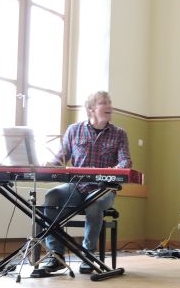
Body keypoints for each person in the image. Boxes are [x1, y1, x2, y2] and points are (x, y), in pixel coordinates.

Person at [40, 91, 131, 273]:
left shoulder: (119, 134)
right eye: (104, 103)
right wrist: (46, 165)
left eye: (110, 102)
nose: (109, 106)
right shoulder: (74, 130)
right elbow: (60, 158)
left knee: (94, 203)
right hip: (76, 187)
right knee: (51, 196)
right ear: (91, 109)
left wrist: (109, 171)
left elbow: (126, 162)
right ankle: (56, 255)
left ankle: (88, 255)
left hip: (103, 189)